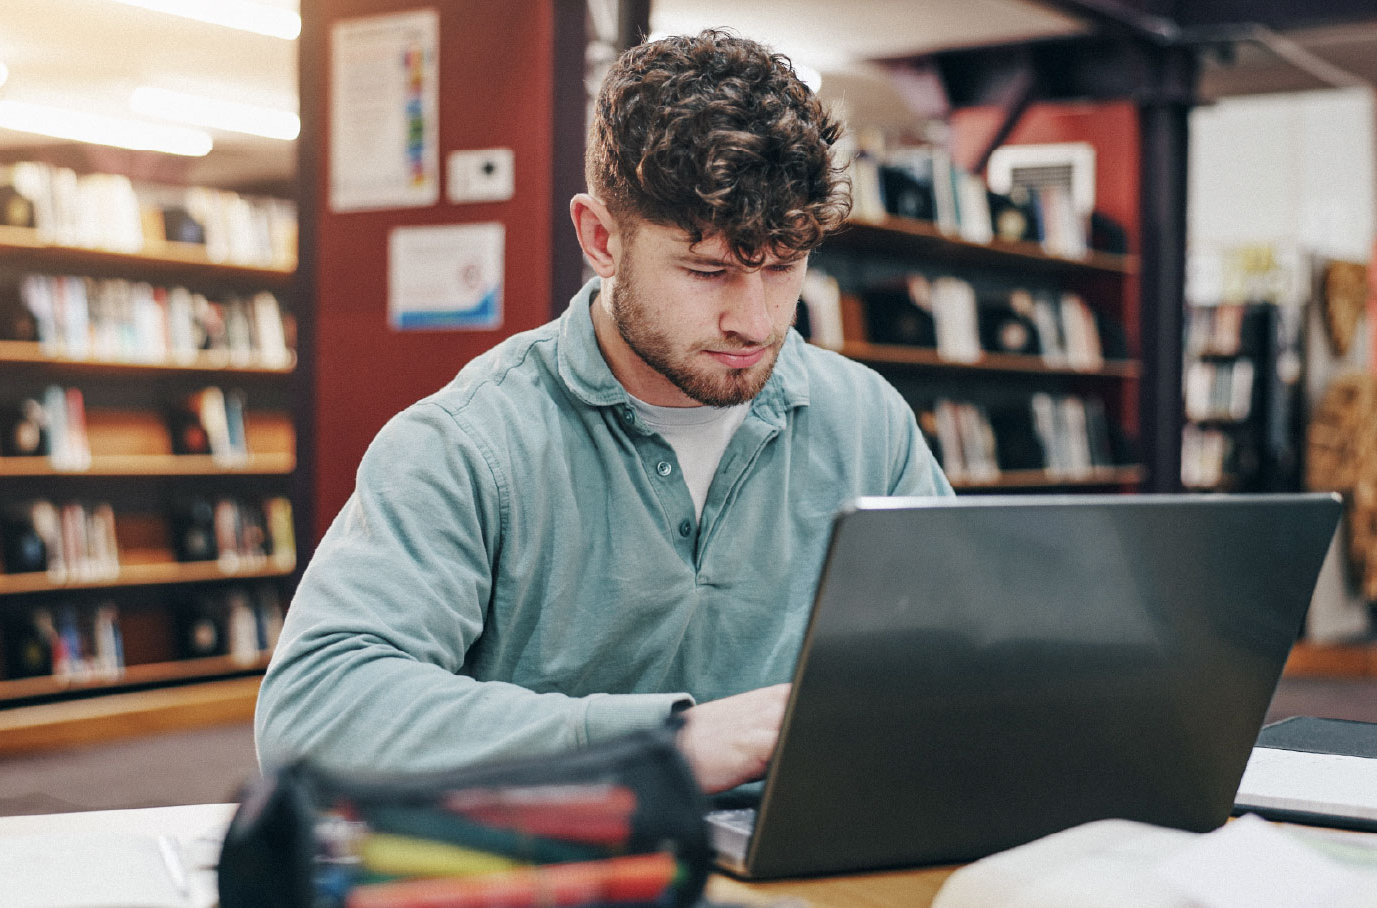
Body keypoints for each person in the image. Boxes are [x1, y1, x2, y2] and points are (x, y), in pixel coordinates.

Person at [254, 29, 952, 793]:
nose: (754, 321)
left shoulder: (870, 424)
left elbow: (967, 649)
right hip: (568, 872)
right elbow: (313, 712)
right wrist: (660, 744)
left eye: (783, 267)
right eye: (708, 270)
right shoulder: (466, 443)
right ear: (599, 239)